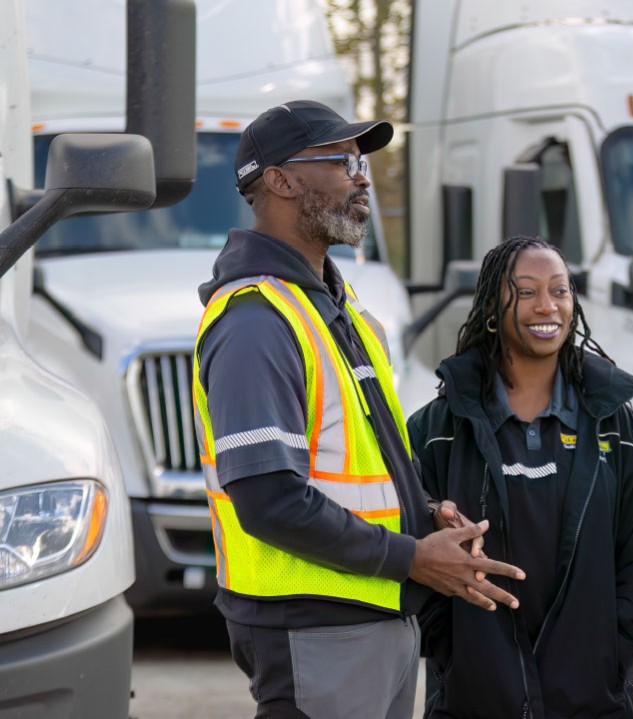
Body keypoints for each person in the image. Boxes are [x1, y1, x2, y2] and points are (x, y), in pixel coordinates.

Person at [192, 99, 525, 719]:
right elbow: (269, 502)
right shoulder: (257, 323)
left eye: (363, 160)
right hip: (314, 628)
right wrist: (415, 557)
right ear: (281, 181)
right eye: (342, 160)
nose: (362, 175)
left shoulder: (336, 309)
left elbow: (353, 466)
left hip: (371, 615)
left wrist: (423, 514)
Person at [407, 235, 633, 718]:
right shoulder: (437, 431)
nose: (546, 305)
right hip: (471, 699)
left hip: (592, 699)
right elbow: (410, 546)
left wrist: (610, 649)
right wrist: (453, 648)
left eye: (559, 290)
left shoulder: (625, 432)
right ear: (493, 306)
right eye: (526, 291)